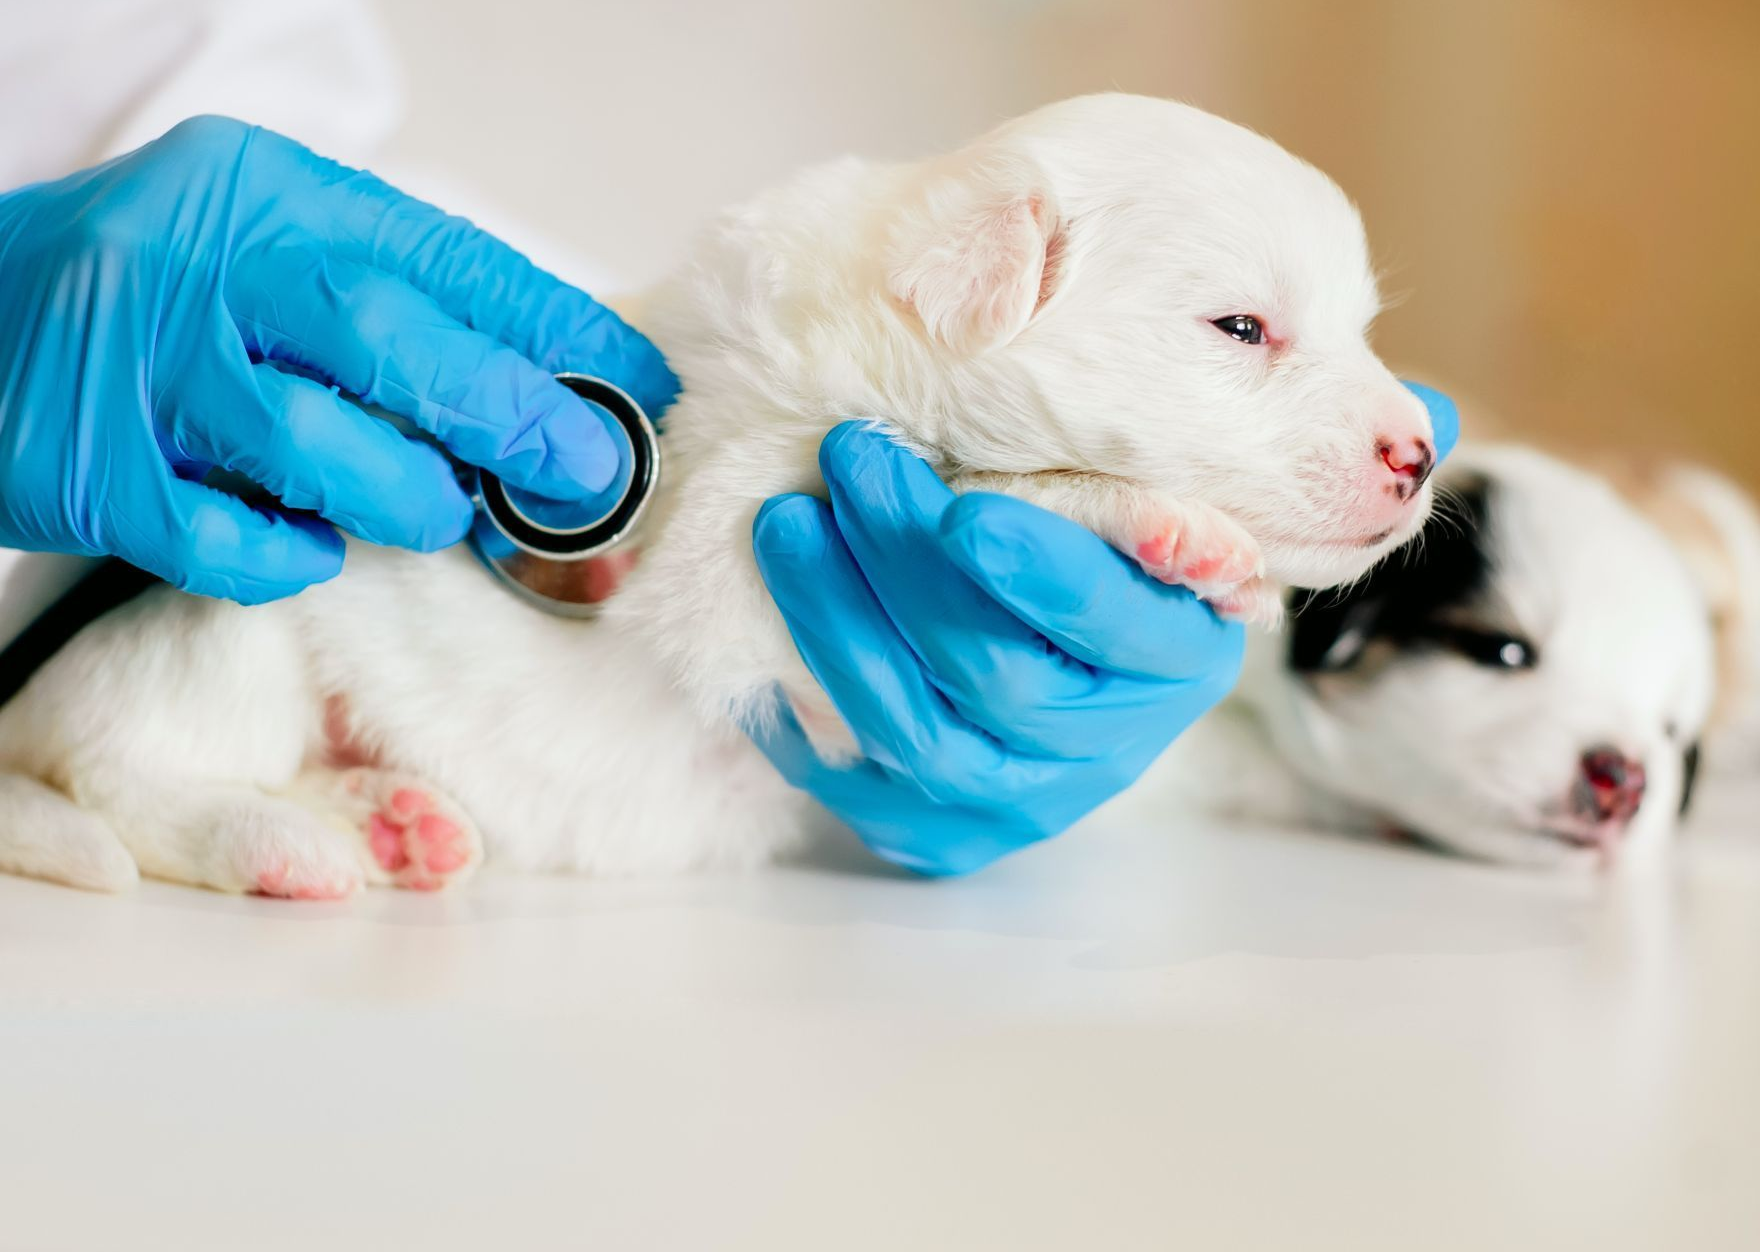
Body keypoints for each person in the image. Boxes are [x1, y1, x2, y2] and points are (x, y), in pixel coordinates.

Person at [0, 119, 1458, 877]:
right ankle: (146, 790)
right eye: (1244, 335)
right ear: (988, 272)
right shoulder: (871, 318)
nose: (1400, 430)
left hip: (519, 816)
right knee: (234, 575)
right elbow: (714, 610)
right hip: (203, 614)